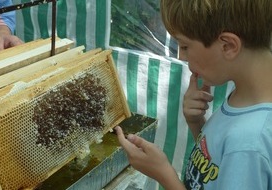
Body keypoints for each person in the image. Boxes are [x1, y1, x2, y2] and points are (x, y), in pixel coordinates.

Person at [116, 0, 272, 189]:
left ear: (228, 46)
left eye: (185, 46)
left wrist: (164, 174)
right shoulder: (246, 95)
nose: (181, 56)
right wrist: (196, 122)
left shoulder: (249, 145)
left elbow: (237, 151)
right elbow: (215, 166)